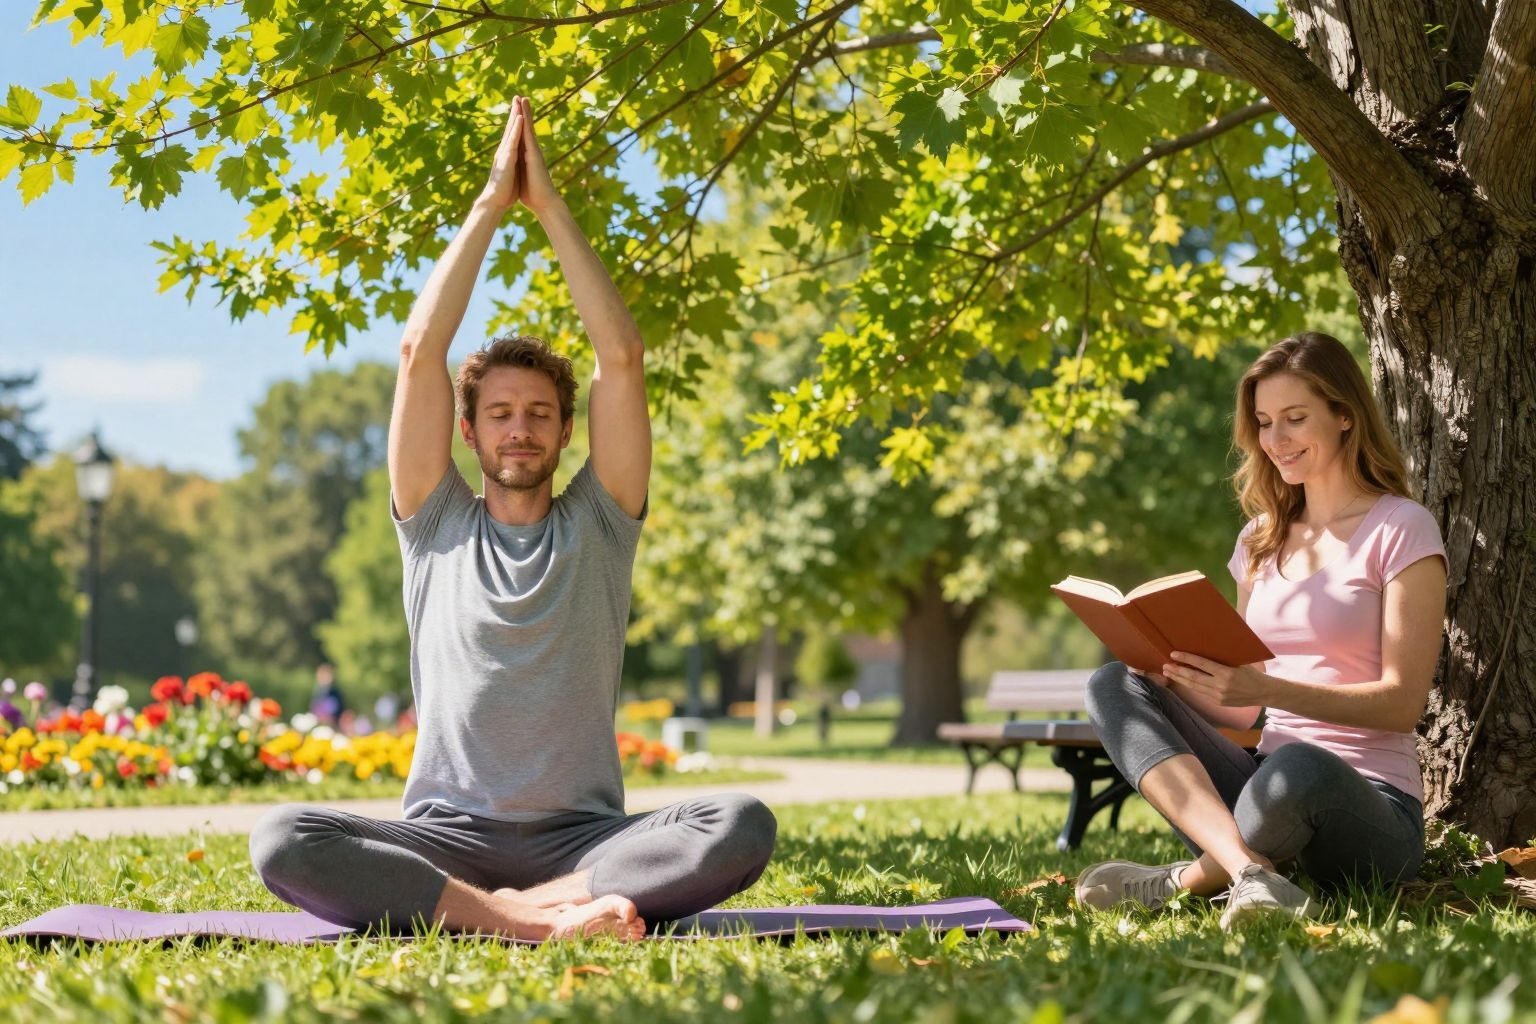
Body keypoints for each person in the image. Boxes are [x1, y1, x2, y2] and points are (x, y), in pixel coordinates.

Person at [249, 96, 776, 942]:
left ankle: (527, 907)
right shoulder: (433, 521)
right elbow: (420, 352)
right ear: (469, 431)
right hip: (444, 837)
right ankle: (526, 921)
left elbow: (623, 359)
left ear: (569, 430)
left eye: (539, 412)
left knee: (741, 822)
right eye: (499, 413)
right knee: (283, 839)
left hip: (589, 841)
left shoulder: (602, 525)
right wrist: (493, 202)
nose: (520, 428)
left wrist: (550, 204)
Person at [1073, 332, 1447, 931]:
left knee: (1297, 766)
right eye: (1265, 423)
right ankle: (1253, 875)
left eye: (1296, 419)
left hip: (1367, 805)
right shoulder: (1259, 538)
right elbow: (1245, 713)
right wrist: (1175, 679)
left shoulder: (1401, 529)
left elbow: (1402, 704)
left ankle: (1181, 881)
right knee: (1113, 684)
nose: (1276, 441)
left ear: (1345, 416)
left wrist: (1264, 693)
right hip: (1261, 790)